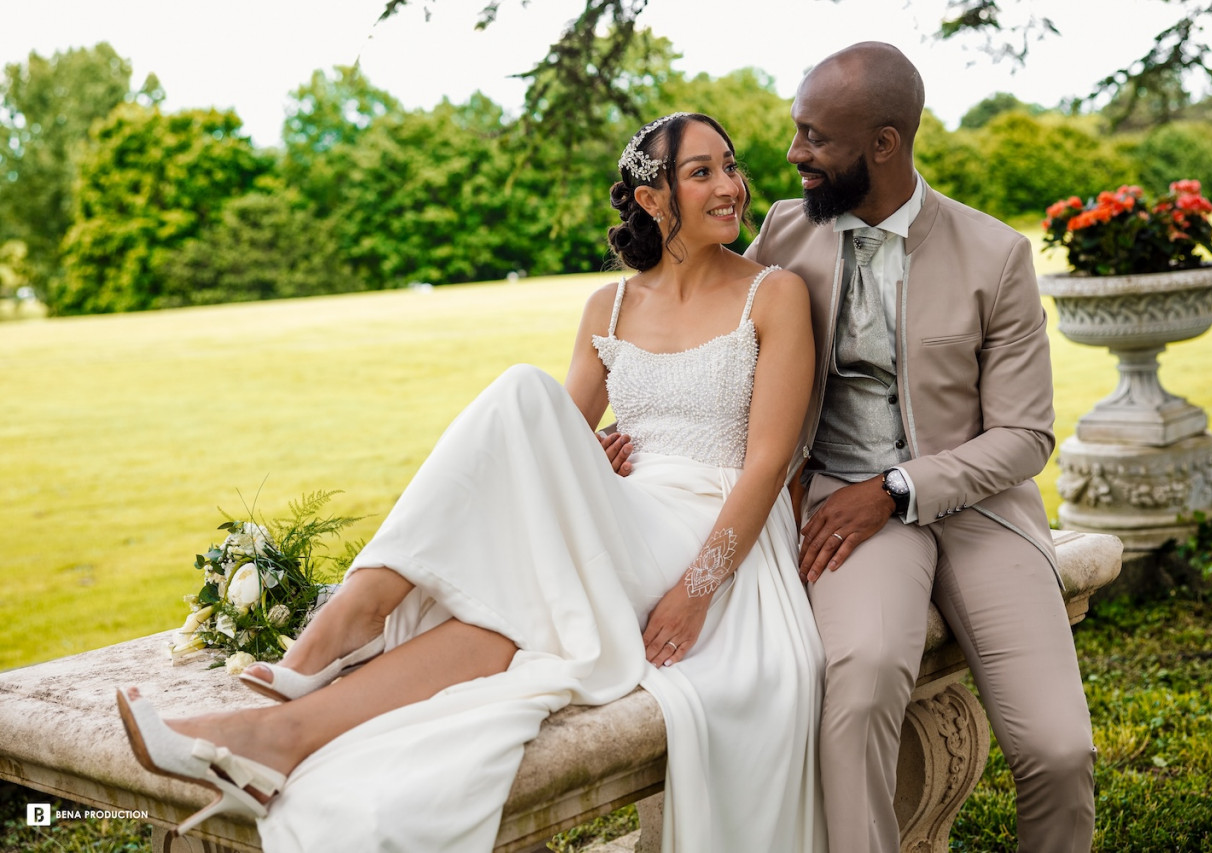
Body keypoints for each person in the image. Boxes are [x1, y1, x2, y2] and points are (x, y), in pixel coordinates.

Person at [116, 112, 827, 853]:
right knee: (500, 601)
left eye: (731, 165)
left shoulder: (772, 294)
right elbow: (555, 431)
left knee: (522, 392)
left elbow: (768, 462)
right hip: (626, 509)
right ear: (653, 200)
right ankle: (275, 734)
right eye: (702, 172)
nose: (732, 187)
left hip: (710, 526)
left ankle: (349, 618)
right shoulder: (610, 306)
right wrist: (592, 462)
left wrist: (695, 592)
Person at [743, 43, 1097, 852]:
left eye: (815, 138)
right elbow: (723, 349)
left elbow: (1024, 436)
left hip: (978, 512)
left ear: (884, 144)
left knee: (1059, 747)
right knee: (859, 685)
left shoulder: (996, 254)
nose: (795, 154)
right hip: (841, 502)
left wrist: (897, 487)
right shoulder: (784, 231)